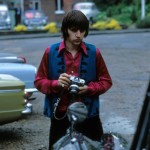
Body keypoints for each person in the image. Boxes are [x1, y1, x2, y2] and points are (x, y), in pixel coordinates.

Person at [34, 10, 112, 150]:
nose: (78, 35)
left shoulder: (94, 52)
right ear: (65, 29)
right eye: (74, 30)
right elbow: (39, 81)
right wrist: (55, 83)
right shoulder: (50, 52)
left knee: (95, 147)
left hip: (88, 114)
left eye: (82, 30)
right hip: (60, 115)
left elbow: (106, 81)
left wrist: (89, 89)